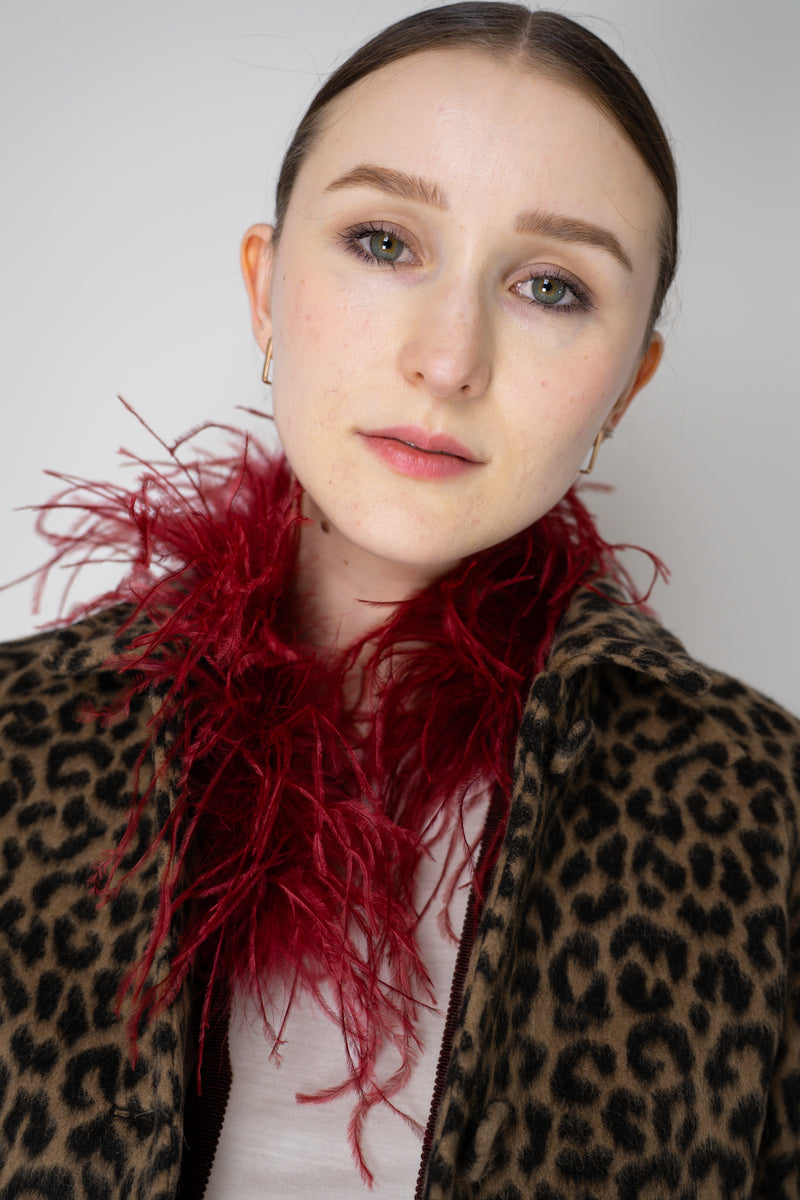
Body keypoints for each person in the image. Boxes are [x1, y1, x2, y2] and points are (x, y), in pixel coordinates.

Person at [0, 4, 798, 1198]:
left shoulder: (759, 815)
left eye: (549, 285)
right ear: (265, 292)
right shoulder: (20, 745)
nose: (448, 356)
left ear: (625, 383)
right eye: (382, 241)